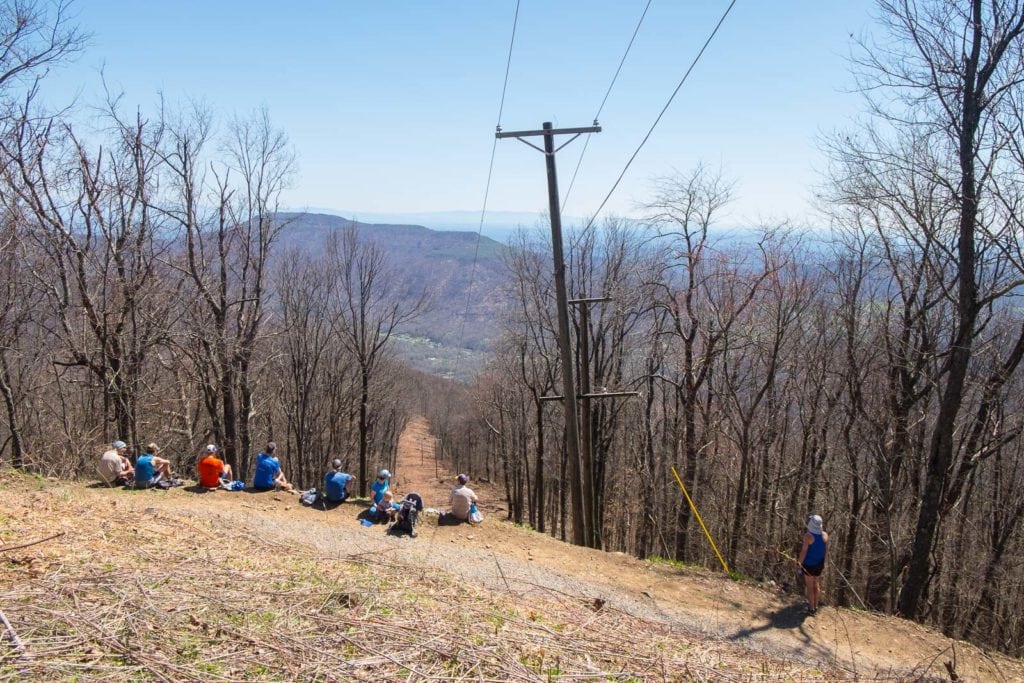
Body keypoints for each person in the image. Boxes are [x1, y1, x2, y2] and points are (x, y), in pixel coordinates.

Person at [798, 514, 829, 616]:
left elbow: (804, 551)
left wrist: (799, 564)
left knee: (810, 586)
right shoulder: (825, 535)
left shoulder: (808, 536)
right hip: (819, 564)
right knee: (816, 584)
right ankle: (815, 606)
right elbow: (825, 551)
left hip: (809, 565)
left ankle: (811, 609)